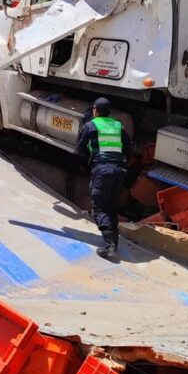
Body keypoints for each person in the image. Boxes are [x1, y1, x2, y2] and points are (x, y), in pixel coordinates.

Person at [76, 97, 131, 258]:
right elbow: (128, 148)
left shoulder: (90, 125)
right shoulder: (118, 125)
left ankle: (109, 246)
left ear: (95, 111)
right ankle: (113, 241)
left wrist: (90, 159)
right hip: (119, 170)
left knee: (100, 207)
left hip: (102, 170)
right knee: (111, 206)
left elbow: (80, 150)